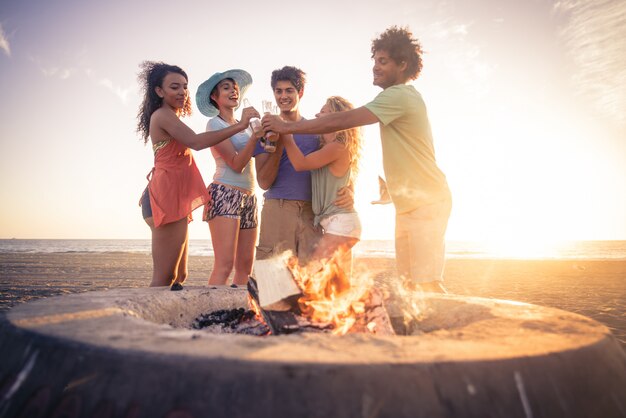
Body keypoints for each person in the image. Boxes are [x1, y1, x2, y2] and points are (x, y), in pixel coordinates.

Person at [262, 27, 452, 293]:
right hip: (409, 204)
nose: (375, 67)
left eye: (383, 61)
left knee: (427, 282)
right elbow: (344, 163)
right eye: (374, 61)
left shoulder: (401, 95)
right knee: (410, 284)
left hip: (426, 201)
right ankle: (419, 332)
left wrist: (285, 129)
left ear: (403, 64)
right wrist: (362, 189)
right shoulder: (392, 101)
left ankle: (445, 333)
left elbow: (345, 121)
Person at [136, 61, 259, 289]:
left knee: (180, 276)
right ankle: (146, 324)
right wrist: (242, 126)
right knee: (164, 279)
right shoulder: (162, 115)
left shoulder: (170, 117)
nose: (182, 92)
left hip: (174, 197)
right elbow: (196, 142)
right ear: (159, 91)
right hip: (165, 197)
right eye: (175, 87)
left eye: (184, 86)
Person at [253, 66, 353, 265]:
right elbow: (263, 182)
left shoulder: (316, 131)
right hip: (278, 208)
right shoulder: (264, 132)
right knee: (275, 283)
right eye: (278, 91)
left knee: (310, 284)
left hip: (312, 214)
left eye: (289, 90)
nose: (283, 96)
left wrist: (350, 189)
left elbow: (339, 162)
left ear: (300, 93)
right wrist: (278, 140)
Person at [281, 96, 362, 286]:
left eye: (323, 112)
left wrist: (286, 135)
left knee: (312, 273)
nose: (317, 114)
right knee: (338, 284)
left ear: (335, 118)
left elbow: (301, 164)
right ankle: (344, 316)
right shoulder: (327, 146)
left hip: (341, 224)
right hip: (340, 223)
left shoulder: (338, 147)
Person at [195, 70, 261, 286]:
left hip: (249, 197)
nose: (233, 90)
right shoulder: (215, 125)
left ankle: (239, 312)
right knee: (225, 265)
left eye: (235, 87)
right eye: (226, 87)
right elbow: (236, 163)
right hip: (225, 193)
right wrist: (254, 138)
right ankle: (211, 311)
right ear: (215, 97)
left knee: (245, 266)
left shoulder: (249, 125)